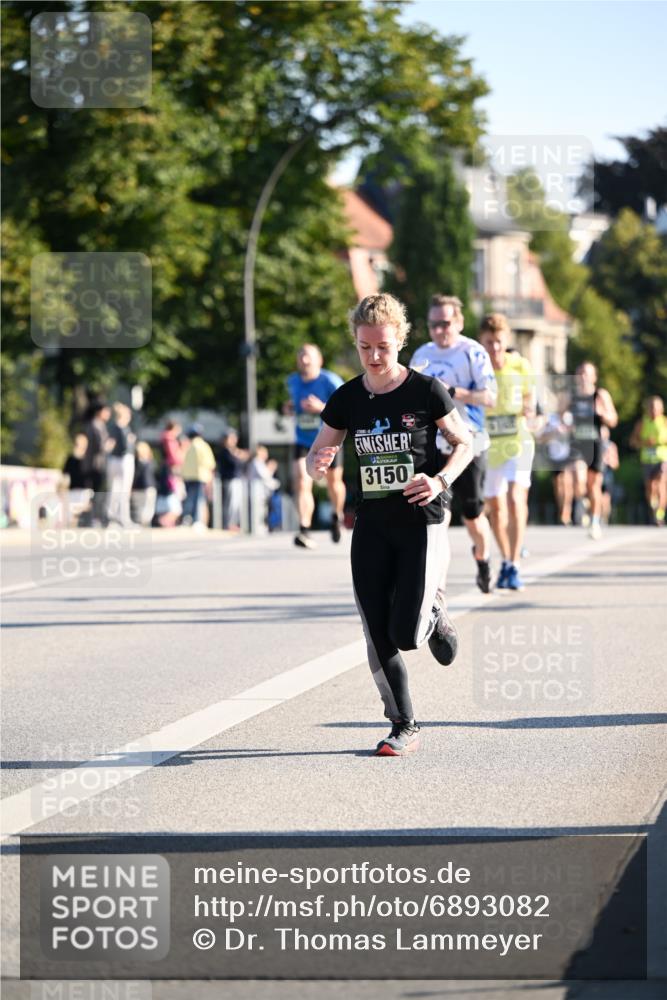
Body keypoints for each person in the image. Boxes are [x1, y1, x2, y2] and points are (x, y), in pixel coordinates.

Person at [307, 293, 473, 757]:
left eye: (383, 347)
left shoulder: (426, 390)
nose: (374, 357)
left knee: (406, 633)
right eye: (365, 348)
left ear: (399, 340)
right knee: (375, 630)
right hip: (371, 524)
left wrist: (439, 480)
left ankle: (434, 613)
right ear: (356, 344)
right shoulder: (347, 398)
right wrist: (316, 462)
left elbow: (465, 443)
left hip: (421, 520)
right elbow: (315, 454)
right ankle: (403, 724)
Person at [410, 294, 497, 594]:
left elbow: (490, 397)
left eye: (445, 324)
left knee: (473, 517)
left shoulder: (472, 352)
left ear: (458, 322)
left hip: (469, 444)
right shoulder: (422, 355)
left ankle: (483, 558)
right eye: (433, 324)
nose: (439, 330)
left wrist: (451, 392)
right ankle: (439, 592)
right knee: (439, 522)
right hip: (435, 447)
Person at [478, 314, 536, 590]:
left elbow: (530, 396)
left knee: (514, 499)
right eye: (489, 343)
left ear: (506, 340)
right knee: (495, 507)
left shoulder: (520, 365)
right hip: (489, 444)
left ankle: (514, 564)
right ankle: (505, 559)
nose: (495, 349)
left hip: (518, 441)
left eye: (499, 342)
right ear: (481, 341)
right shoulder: (478, 368)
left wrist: (529, 408)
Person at [286, 344, 345, 549]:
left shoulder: (330, 380)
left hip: (329, 439)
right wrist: (290, 407)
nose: (304, 360)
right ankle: (304, 529)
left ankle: (336, 516)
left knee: (333, 482)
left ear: (319, 360)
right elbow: (292, 402)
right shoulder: (292, 381)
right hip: (302, 440)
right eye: (300, 355)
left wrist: (320, 407)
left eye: (308, 356)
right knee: (301, 481)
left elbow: (345, 407)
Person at [564, 361, 618, 539]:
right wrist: (563, 421)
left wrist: (603, 414)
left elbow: (613, 419)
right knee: (579, 480)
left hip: (596, 444)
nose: (583, 377)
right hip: (578, 444)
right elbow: (559, 416)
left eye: (587, 373)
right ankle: (583, 499)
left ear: (594, 377)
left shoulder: (600, 395)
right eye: (580, 373)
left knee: (594, 485)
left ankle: (594, 521)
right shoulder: (571, 396)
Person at [630, 395, 667, 526]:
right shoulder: (642, 423)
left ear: (661, 409)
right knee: (651, 487)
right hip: (647, 459)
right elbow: (633, 442)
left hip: (662, 458)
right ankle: (653, 508)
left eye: (656, 408)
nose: (653, 410)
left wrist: (661, 441)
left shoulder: (664, 422)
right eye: (651, 407)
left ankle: (660, 514)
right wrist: (644, 442)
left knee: (661, 483)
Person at [80, 401, 111, 525]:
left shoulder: (100, 425)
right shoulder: (93, 425)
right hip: (94, 465)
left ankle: (94, 518)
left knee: (97, 491)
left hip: (98, 464)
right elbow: (99, 446)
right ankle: (92, 518)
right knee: (95, 492)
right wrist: (109, 445)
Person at [106, 402, 136, 527]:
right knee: (123, 490)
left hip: (114, 460)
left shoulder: (114, 427)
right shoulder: (123, 428)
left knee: (114, 490)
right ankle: (122, 517)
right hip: (124, 460)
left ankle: (112, 516)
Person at [181, 424, 216, 527]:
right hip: (200, 477)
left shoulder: (188, 446)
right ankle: (196, 520)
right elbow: (210, 464)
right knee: (198, 500)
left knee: (190, 499)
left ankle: (188, 519)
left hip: (189, 477)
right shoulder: (203, 446)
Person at [217, 429, 248, 531]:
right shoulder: (225, 452)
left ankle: (234, 523)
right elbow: (235, 463)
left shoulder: (233, 451)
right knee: (230, 504)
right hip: (229, 480)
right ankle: (229, 524)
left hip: (237, 480)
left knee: (237, 504)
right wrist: (239, 456)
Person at [131, 441, 157, 526]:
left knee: (144, 507)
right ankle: (143, 522)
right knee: (144, 507)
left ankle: (143, 522)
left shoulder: (144, 462)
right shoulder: (141, 462)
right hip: (143, 488)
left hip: (144, 487)